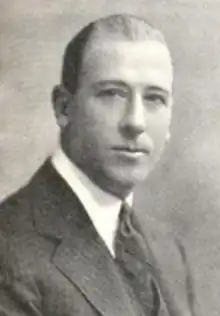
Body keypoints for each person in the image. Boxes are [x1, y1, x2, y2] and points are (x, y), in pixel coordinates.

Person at [0, 14, 197, 316]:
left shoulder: (170, 251)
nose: (135, 121)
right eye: (112, 94)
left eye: (154, 98)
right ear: (64, 108)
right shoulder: (9, 247)